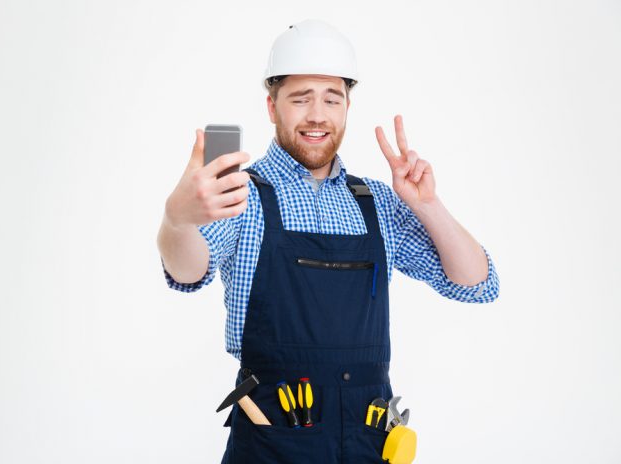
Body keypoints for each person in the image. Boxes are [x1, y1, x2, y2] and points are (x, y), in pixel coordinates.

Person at [157, 19, 499, 464]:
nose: (317, 115)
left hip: (369, 442)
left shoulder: (377, 201)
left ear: (347, 107)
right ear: (272, 107)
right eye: (300, 98)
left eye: (332, 99)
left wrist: (428, 205)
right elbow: (187, 271)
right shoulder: (241, 196)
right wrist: (177, 219)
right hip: (272, 442)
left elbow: (477, 284)